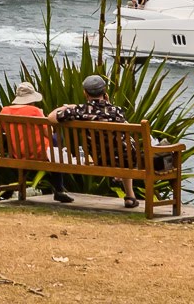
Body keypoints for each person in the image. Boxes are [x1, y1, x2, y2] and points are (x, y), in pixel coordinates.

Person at [47, 74, 139, 208]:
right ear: (105, 92)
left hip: (99, 159)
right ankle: (130, 196)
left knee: (119, 153)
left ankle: (125, 186)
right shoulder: (117, 111)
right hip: (124, 160)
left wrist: (69, 107)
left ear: (85, 93)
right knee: (125, 149)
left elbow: (51, 117)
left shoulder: (80, 111)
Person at [0, 81, 70, 201]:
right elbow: (48, 131)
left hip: (17, 153)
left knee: (54, 145)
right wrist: (42, 115)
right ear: (31, 98)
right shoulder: (35, 111)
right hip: (40, 153)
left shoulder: (5, 111)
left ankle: (15, 189)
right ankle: (58, 188)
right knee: (57, 140)